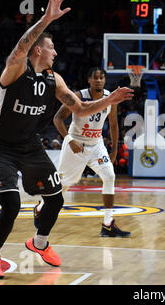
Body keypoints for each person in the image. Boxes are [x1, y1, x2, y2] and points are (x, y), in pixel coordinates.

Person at [0, 0, 134, 279]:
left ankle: (39, 243)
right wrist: (46, 19)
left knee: (55, 199)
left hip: (30, 146)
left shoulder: (55, 79)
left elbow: (79, 108)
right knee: (12, 205)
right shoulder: (16, 70)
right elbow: (20, 47)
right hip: (2, 147)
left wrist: (109, 100)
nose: (56, 53)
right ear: (38, 50)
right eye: (52, 48)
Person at [41, 67, 130, 237]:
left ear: (104, 80)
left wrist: (114, 149)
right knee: (65, 184)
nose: (98, 80)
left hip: (96, 145)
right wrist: (69, 140)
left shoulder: (111, 98)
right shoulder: (78, 96)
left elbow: (113, 125)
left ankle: (108, 224)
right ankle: (41, 207)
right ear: (89, 80)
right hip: (76, 143)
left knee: (110, 176)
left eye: (101, 77)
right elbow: (57, 118)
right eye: (95, 77)